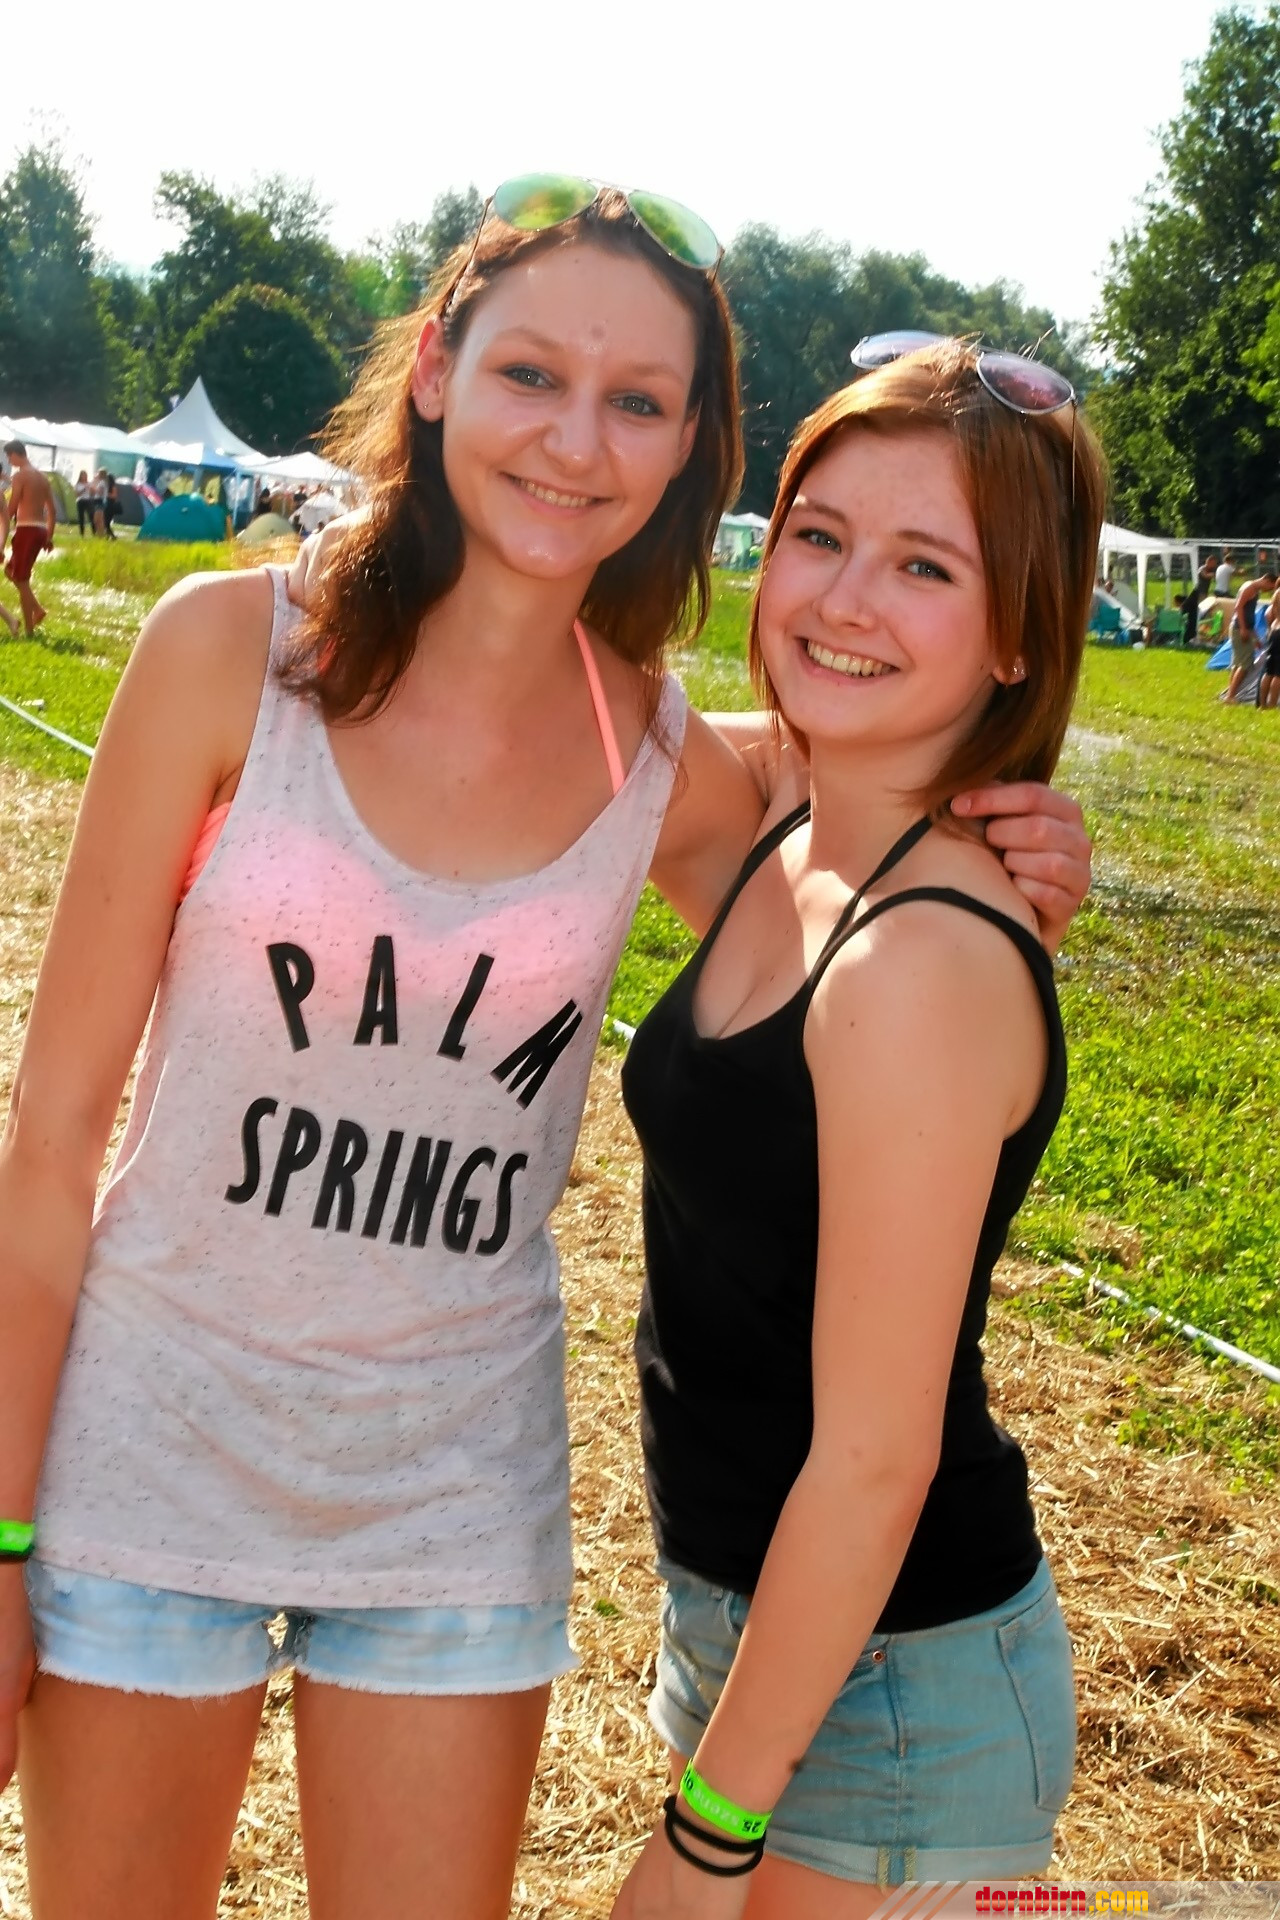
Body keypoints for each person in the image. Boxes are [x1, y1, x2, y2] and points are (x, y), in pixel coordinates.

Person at [0, 181, 1091, 1920]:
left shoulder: (648, 751)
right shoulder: (225, 654)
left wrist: (1007, 820)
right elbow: (50, 1141)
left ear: (688, 453)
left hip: (449, 1506)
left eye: (639, 401)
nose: (577, 441)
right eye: (531, 373)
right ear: (438, 368)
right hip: (148, 1462)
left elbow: (857, 782)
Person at [613, 337, 1107, 1916]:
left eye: (925, 566)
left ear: (1020, 633)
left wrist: (707, 1835)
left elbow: (879, 1460)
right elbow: (579, 702)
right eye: (818, 536)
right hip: (772, 1643)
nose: (842, 598)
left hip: (893, 1702)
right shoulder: (794, 822)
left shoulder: (918, 962)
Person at [1, 441, 57, 637]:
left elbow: (12, 506)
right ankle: (37, 609)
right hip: (40, 530)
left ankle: (29, 630)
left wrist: (3, 522)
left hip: (27, 529)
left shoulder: (20, 476)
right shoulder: (42, 477)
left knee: (21, 579)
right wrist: (49, 536)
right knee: (10, 571)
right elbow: (52, 511)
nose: (9, 461)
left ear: (16, 454)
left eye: (9, 456)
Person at [1224, 565, 1275, 703]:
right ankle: (1230, 696)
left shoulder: (1253, 589)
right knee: (1245, 664)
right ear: (1267, 580)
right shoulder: (1250, 588)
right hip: (1240, 628)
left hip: (1245, 628)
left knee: (1238, 663)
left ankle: (1231, 693)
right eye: (1269, 587)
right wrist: (1243, 628)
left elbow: (1249, 614)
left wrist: (1255, 637)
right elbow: (1239, 607)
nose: (1268, 591)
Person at [73, 473, 94, 539]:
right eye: (83, 475)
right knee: (81, 517)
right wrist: (84, 489)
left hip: (88, 500)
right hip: (80, 501)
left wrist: (90, 489)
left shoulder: (89, 483)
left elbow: (92, 493)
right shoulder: (78, 484)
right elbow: (76, 494)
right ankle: (82, 534)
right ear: (80, 476)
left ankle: (94, 532)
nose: (84, 477)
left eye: (85, 475)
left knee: (91, 516)